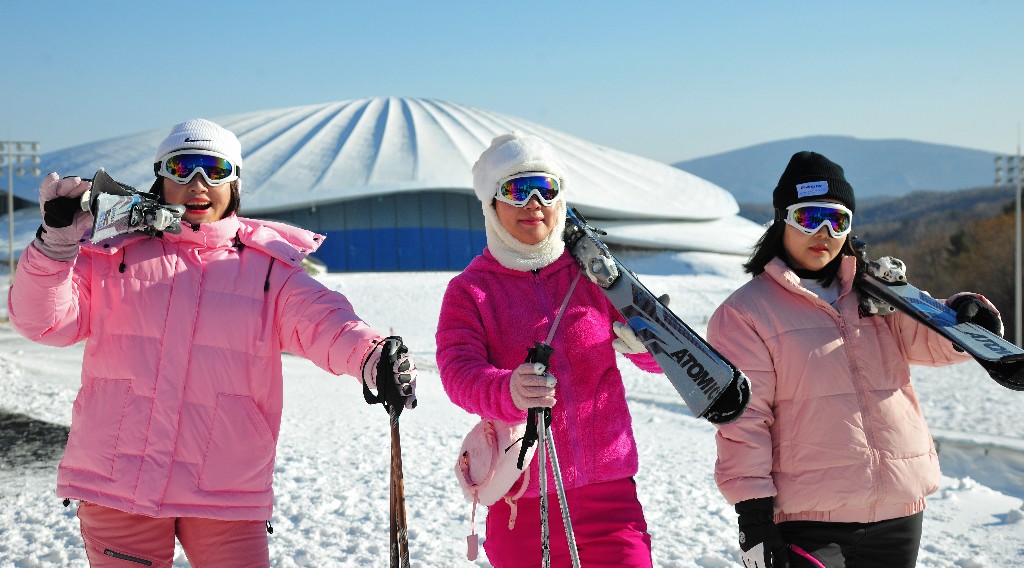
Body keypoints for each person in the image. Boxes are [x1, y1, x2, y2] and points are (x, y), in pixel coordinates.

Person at [8, 118, 417, 567]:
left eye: (215, 170)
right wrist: (54, 247)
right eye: (182, 168)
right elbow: (42, 323)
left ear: (234, 181)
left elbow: (326, 322)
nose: (198, 183)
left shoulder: (267, 270)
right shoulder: (112, 255)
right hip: (118, 480)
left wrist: (372, 356)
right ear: (160, 177)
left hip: (224, 486)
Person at [706, 151, 1004, 568]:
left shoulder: (878, 294)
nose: (824, 232)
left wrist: (966, 318)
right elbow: (744, 421)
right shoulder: (745, 314)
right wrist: (754, 520)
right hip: (809, 517)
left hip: (898, 511)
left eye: (838, 220)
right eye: (809, 218)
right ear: (781, 220)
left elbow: (931, 341)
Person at [437, 132, 664, 567]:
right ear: (492, 204)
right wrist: (508, 390)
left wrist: (645, 345)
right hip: (522, 503)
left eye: (546, 188)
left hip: (610, 498)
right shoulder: (471, 291)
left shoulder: (597, 276)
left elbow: (665, 364)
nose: (534, 203)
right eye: (517, 190)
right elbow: (457, 372)